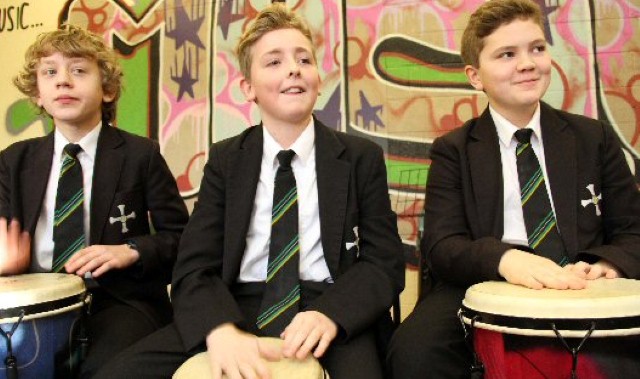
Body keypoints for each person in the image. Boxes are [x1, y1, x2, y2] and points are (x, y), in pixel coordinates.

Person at [95, 4, 405, 379]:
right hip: (236, 303)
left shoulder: (360, 157)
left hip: (328, 304)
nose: (293, 68)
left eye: (303, 59)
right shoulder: (226, 160)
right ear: (248, 88)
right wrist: (219, 328)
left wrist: (332, 315)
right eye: (273, 62)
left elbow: (383, 261)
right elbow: (194, 265)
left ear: (318, 79)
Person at [387, 0, 640, 377]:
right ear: (475, 76)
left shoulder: (593, 137)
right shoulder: (453, 150)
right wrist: (507, 260)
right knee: (413, 352)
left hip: (578, 281)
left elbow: (633, 229)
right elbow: (442, 245)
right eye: (507, 54)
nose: (527, 63)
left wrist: (608, 264)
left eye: (537, 49)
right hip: (483, 280)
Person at [0, 25, 189, 377]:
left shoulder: (139, 155)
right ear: (38, 94)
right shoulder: (13, 162)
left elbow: (182, 241)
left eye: (79, 70)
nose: (63, 81)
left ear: (108, 89)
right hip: (35, 307)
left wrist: (130, 249)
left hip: (118, 301)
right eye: (50, 72)